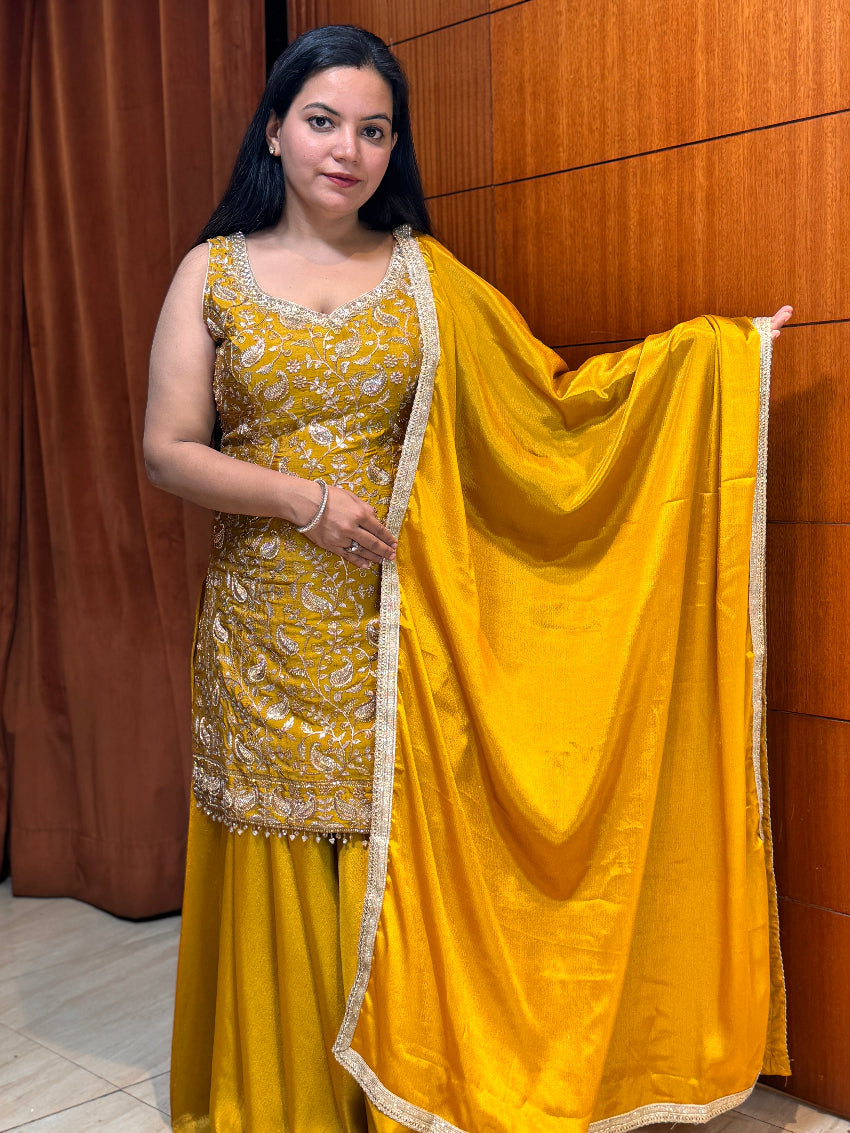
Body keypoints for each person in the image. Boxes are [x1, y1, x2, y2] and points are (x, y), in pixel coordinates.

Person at [144, 24, 793, 1133]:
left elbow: (550, 406)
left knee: (390, 848)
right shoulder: (210, 272)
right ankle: (288, 1097)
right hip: (264, 625)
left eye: (374, 130)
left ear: (395, 149)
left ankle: (404, 1093)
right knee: (279, 838)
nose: (348, 149)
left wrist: (713, 363)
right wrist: (303, 498)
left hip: (405, 623)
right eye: (322, 120)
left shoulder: (424, 277)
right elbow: (169, 449)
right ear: (273, 130)